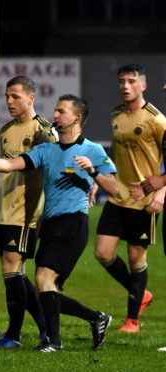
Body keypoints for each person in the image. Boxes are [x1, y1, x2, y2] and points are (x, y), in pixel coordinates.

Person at [0, 94, 118, 352]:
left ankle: (53, 342)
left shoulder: (93, 150)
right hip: (49, 224)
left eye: (61, 112)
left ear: (77, 118)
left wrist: (92, 171)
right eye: (56, 111)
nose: (55, 115)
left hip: (74, 223)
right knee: (45, 289)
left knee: (44, 278)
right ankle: (96, 318)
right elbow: (11, 164)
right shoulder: (46, 150)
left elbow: (114, 188)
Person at [93, 64, 166, 333]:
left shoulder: (157, 120)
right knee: (102, 253)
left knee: (136, 259)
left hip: (143, 200)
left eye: (131, 81)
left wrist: (160, 191)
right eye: (122, 81)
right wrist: (99, 180)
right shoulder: (116, 115)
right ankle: (142, 294)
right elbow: (112, 153)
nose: (125, 86)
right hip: (117, 195)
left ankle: (132, 321)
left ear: (143, 86)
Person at [0, 76, 55, 349]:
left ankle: (13, 335)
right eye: (6, 96)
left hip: (25, 213)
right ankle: (45, 328)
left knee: (10, 269)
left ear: (31, 97)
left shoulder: (44, 132)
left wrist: (42, 213)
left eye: (15, 96)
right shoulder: (5, 130)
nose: (9, 102)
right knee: (17, 273)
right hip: (3, 210)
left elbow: (49, 174)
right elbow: (2, 174)